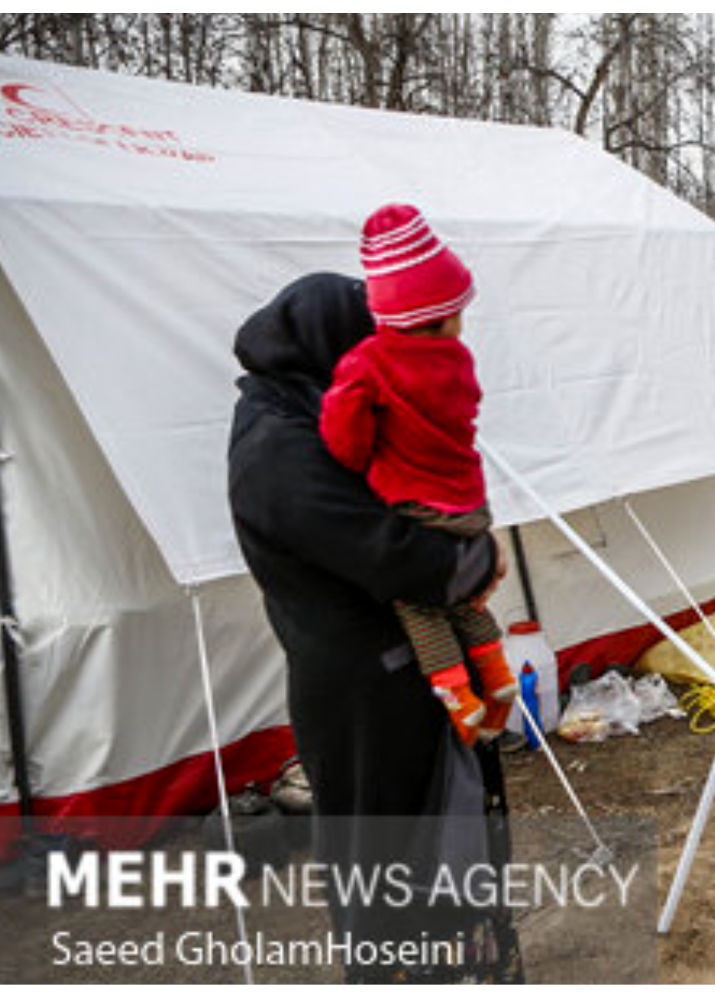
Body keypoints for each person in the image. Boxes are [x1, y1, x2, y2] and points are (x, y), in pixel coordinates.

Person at [228, 272, 516, 980]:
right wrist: (474, 553)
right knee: (397, 873)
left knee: (451, 855)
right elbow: (397, 556)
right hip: (367, 697)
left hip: (405, 680)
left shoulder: (314, 409)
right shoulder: (277, 447)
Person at [320, 203, 517, 747]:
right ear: (443, 314)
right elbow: (469, 409)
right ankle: (498, 675)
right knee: (466, 600)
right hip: (470, 506)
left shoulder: (367, 363)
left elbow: (345, 440)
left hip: (417, 505)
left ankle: (459, 697)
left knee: (421, 604)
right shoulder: (458, 359)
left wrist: (363, 456)